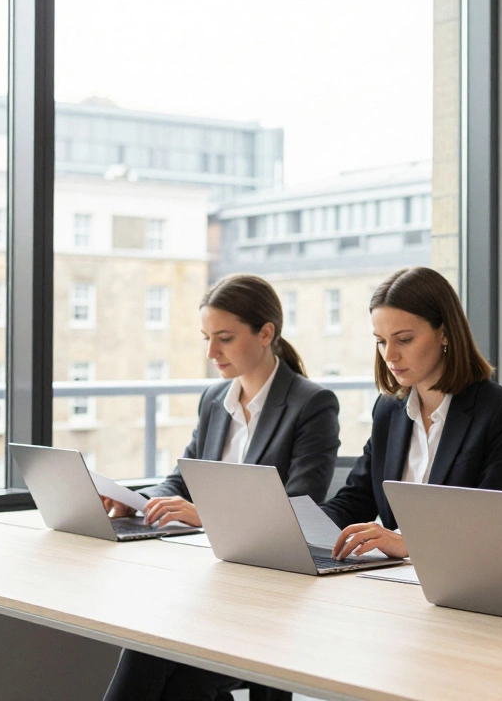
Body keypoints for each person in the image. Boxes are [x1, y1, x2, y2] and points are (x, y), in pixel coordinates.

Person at [103, 274, 340, 701]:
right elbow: (182, 477)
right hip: (208, 582)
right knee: (153, 652)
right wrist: (140, 503)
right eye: (207, 338)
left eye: (225, 338)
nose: (211, 352)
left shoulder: (312, 403)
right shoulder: (215, 400)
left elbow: (300, 508)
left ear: (266, 333)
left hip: (268, 593)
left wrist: (208, 516)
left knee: (165, 666)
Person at [322, 266, 502, 561]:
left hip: (464, 580)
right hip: (393, 580)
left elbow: (492, 524)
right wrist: (299, 525)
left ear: (445, 333)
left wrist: (407, 543)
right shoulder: (389, 410)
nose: (390, 355)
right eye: (381, 341)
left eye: (404, 339)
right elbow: (356, 499)